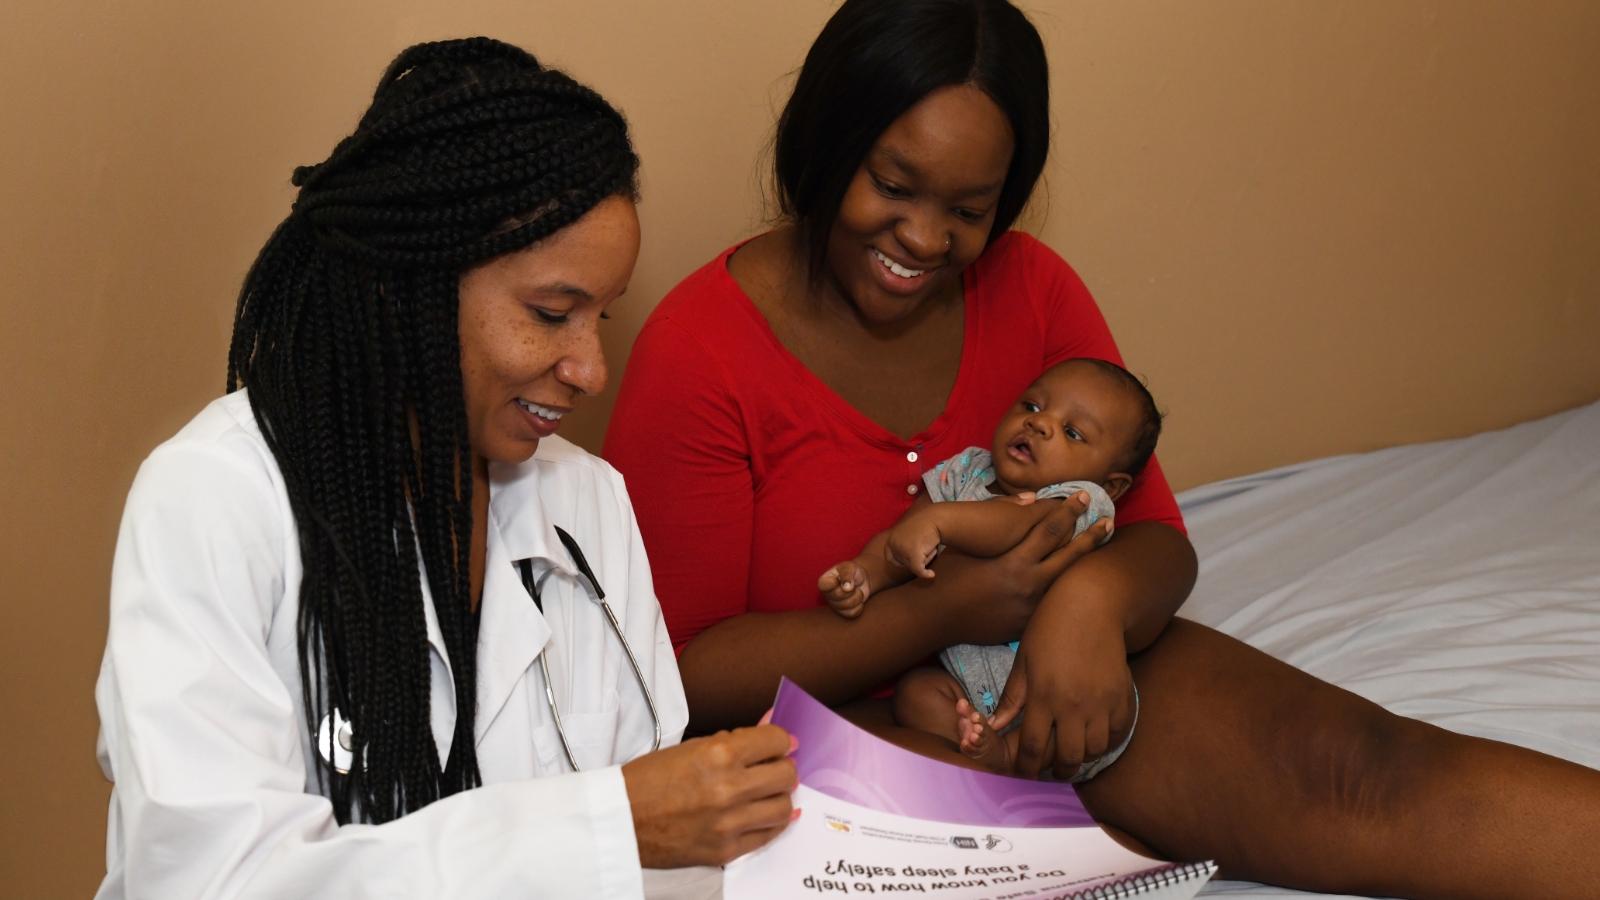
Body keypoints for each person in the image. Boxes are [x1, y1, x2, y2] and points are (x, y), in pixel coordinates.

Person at [602, 1, 1600, 896]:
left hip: (1050, 675)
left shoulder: (1031, 290)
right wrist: (951, 608)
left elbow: (1158, 539)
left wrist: (1083, 604)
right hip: (824, 737)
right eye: (894, 185)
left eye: (968, 209)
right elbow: (683, 678)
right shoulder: (699, 350)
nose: (922, 238)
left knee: (1359, 775)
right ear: (825, 142)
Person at [95, 39, 796, 900]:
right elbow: (211, 882)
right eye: (552, 313)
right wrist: (604, 826)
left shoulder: (588, 502)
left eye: (601, 317)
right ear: (408, 284)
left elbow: (660, 854)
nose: (590, 368)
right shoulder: (214, 500)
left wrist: (745, 814)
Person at [816, 357, 1159, 775]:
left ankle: (1013, 755)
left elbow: (1014, 525)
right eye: (1032, 407)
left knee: (1073, 727)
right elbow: (905, 540)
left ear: (1111, 484)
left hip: (1062, 694)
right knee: (914, 694)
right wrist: (868, 571)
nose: (1039, 424)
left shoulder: (1081, 501)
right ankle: (987, 761)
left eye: (1072, 432)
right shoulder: (965, 471)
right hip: (966, 690)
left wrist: (941, 521)